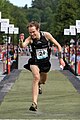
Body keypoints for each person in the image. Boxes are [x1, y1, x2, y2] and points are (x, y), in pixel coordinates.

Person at [20, 21, 65, 111]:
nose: (32, 34)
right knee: (36, 77)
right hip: (34, 61)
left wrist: (60, 58)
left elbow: (58, 46)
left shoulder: (46, 35)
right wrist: (21, 41)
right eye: (30, 32)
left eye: (33, 32)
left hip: (45, 63)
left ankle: (39, 85)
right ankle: (34, 103)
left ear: (38, 30)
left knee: (42, 80)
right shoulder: (30, 39)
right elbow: (23, 45)